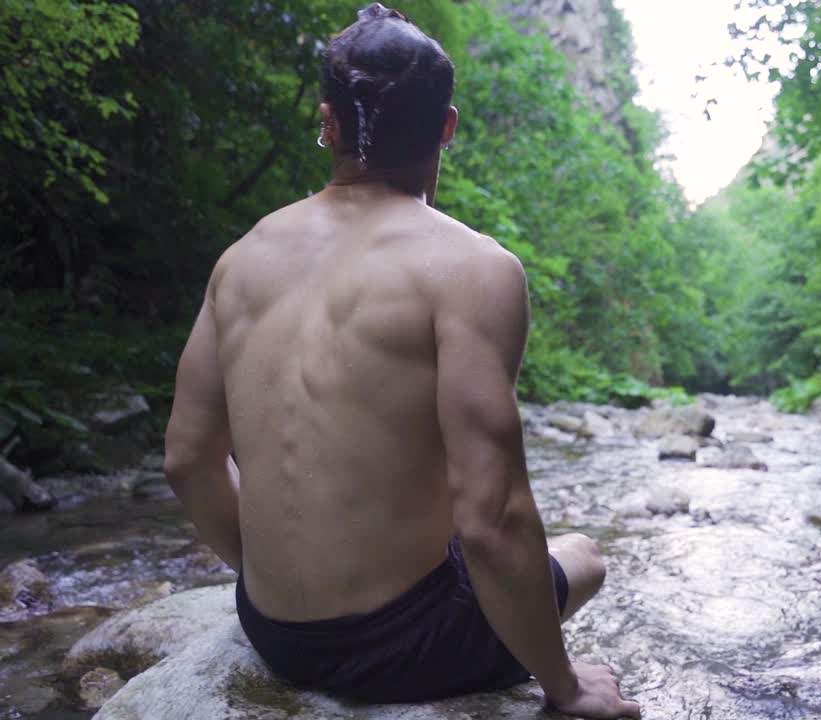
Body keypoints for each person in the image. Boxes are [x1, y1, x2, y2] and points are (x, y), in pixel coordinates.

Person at [161, 5, 640, 718]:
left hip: (273, 632)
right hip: (402, 649)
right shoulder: (472, 267)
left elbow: (188, 458)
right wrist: (564, 684)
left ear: (328, 121)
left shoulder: (242, 258)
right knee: (585, 556)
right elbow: (493, 514)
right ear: (446, 126)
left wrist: (269, 582)